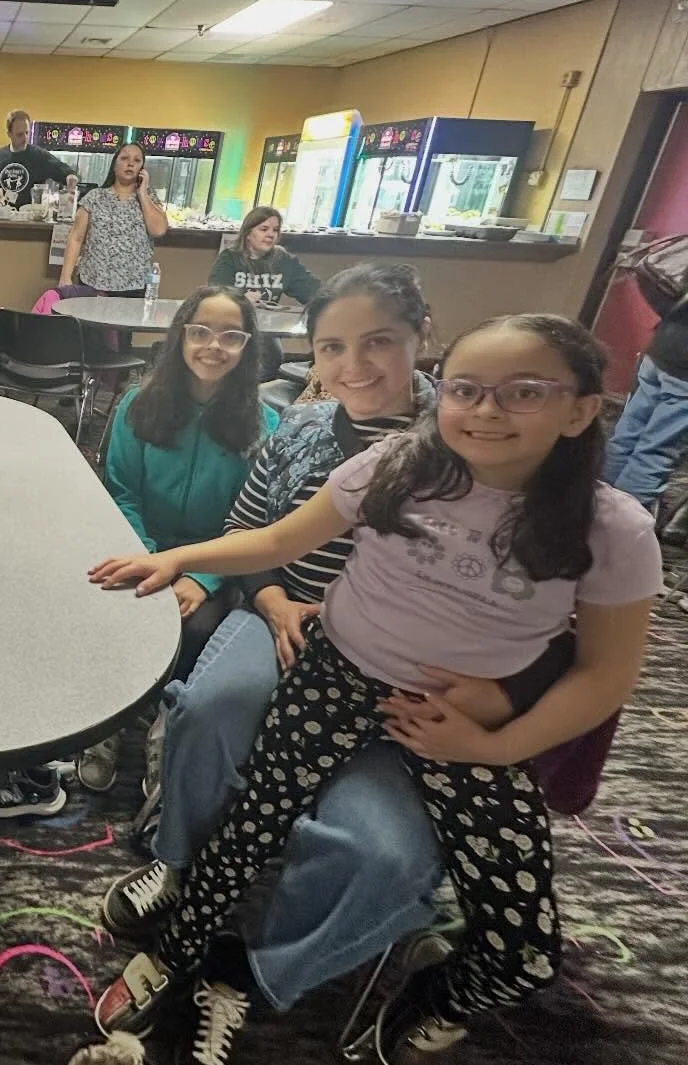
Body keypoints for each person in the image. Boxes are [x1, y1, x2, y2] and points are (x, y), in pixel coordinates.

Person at [86, 313, 660, 1064]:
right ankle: (184, 948)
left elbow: (605, 674)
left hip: (457, 715)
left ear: (582, 407)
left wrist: (491, 742)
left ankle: (436, 990)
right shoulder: (399, 465)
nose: (487, 410)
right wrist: (178, 559)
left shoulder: (611, 526)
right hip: (336, 672)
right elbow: (280, 537)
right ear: (442, 393)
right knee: (247, 828)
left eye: (524, 392)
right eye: (467, 390)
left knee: (526, 943)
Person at [75, 287, 279, 794]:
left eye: (231, 336)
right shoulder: (136, 405)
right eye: (201, 331)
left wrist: (203, 578)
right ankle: (107, 720)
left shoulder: (265, 424)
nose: (214, 346)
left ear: (247, 346)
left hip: (215, 559)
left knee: (195, 623)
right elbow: (121, 492)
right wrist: (152, 560)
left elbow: (252, 524)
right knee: (116, 604)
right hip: (140, 542)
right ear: (181, 336)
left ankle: (165, 725)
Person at [604, 283, 688, 513]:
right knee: (656, 453)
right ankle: (621, 524)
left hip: (663, 346)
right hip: (684, 374)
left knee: (624, 437)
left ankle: (595, 508)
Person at [58, 142, 169, 294]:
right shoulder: (94, 197)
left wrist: (142, 193)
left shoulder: (149, 199)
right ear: (114, 165)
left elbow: (159, 230)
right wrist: (65, 277)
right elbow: (75, 238)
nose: (130, 163)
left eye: (137, 161)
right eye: (124, 158)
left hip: (134, 287)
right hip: (93, 283)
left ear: (142, 169)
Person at [209, 206, 319, 308]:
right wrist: (241, 300)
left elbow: (315, 294)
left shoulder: (283, 259)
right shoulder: (229, 258)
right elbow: (216, 298)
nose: (271, 234)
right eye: (264, 229)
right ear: (247, 233)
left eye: (275, 230)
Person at [0, 109, 79, 204]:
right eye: (19, 134)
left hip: (31, 217)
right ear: (9, 134)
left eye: (27, 133)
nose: (25, 138)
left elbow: (66, 172)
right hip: (1, 215)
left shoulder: (39, 156)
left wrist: (70, 181)